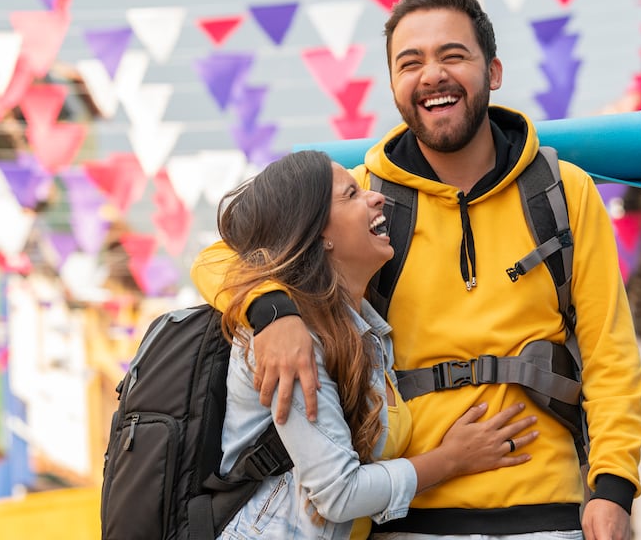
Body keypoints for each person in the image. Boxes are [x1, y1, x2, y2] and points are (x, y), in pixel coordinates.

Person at [193, 0, 641, 540]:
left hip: (549, 513)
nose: (432, 75)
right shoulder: (362, 198)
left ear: (493, 71)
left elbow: (610, 355)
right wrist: (273, 313)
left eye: (453, 55)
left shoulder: (562, 192)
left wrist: (614, 485)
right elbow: (218, 258)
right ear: (393, 87)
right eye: (411, 63)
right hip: (406, 517)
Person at [209, 149, 539, 540]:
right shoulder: (291, 343)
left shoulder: (366, 331)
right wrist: (450, 460)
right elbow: (338, 494)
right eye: (351, 194)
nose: (377, 197)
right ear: (319, 235)